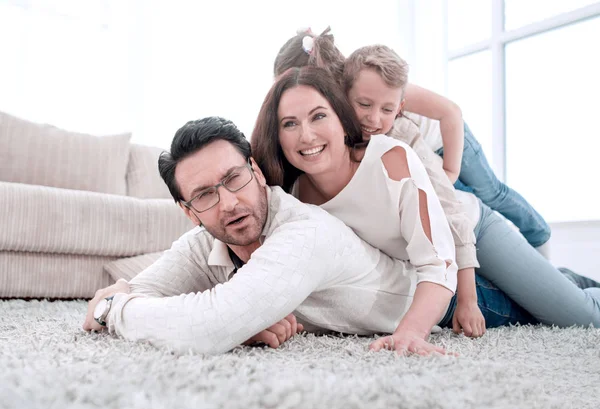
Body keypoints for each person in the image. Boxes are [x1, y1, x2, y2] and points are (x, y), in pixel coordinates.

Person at [250, 66, 600, 343]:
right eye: (289, 124)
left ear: (342, 118)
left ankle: (563, 286)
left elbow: (441, 253)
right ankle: (561, 280)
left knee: (580, 318)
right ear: (277, 135)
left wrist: (415, 329)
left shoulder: (391, 157)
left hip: (470, 228)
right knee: (541, 298)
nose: (306, 136)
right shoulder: (289, 197)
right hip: (423, 258)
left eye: (318, 116)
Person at [83, 116, 469, 356]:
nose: (229, 203)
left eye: (234, 178)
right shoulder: (203, 244)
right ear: (188, 212)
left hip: (445, 298)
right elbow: (143, 294)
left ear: (256, 170)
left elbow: (206, 328)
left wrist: (110, 311)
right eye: (204, 195)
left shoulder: (305, 232)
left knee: (528, 286)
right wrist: (243, 327)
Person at [274, 28, 551, 256]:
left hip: (448, 137)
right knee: (468, 203)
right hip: (420, 149)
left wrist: (451, 171)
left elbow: (450, 112)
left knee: (490, 192)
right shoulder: (336, 104)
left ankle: (539, 234)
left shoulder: (371, 82)